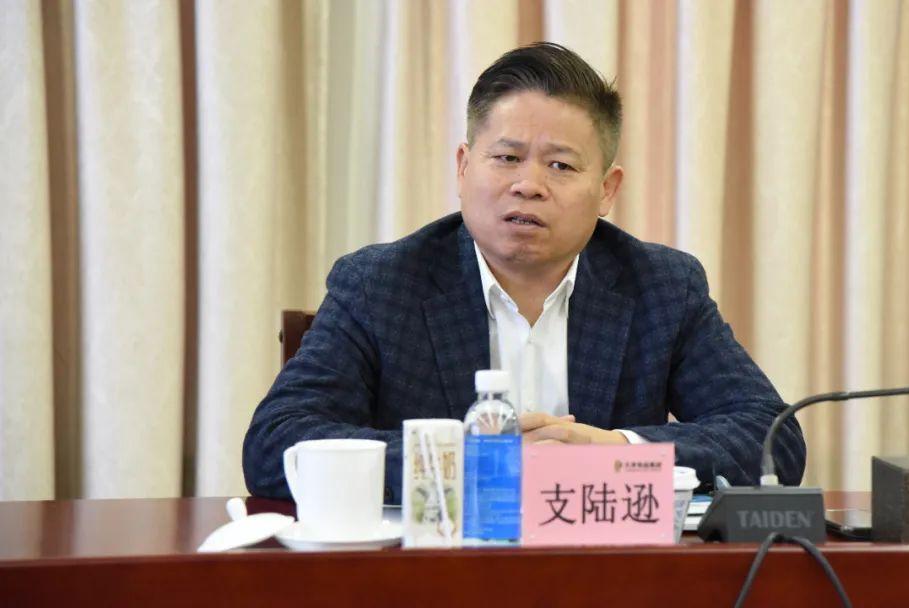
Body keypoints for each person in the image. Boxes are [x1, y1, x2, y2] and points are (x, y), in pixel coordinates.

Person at [243, 42, 805, 504]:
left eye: (560, 165)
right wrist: (472, 465)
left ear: (606, 190)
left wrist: (617, 453)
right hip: (433, 579)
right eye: (507, 157)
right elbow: (275, 442)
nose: (529, 185)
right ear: (464, 167)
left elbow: (772, 438)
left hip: (607, 577)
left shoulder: (662, 287)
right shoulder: (381, 285)